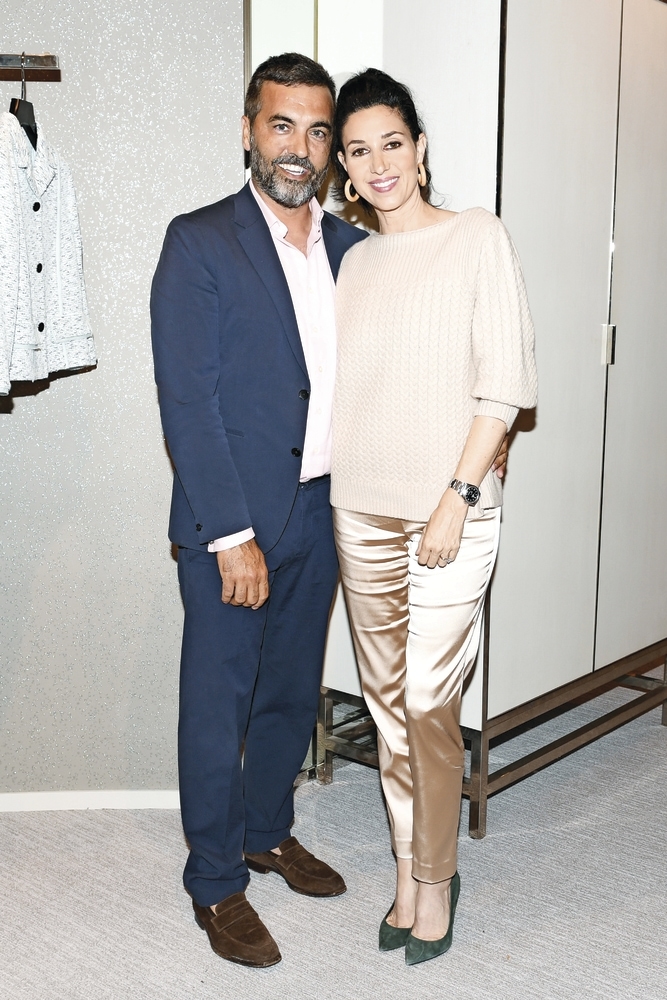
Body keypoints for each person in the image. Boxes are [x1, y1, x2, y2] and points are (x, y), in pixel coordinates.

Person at [150, 53, 368, 969]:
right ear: (248, 131)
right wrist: (231, 535)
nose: (298, 148)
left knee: (289, 690)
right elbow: (188, 403)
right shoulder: (199, 241)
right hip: (232, 521)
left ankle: (266, 831)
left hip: (323, 510)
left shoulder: (353, 249)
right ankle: (212, 879)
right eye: (282, 125)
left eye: (316, 131)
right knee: (219, 703)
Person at [330, 69, 538, 966]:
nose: (378, 162)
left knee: (426, 700)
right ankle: (407, 870)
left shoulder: (476, 236)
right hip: (359, 506)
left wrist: (458, 494)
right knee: (384, 707)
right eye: (357, 149)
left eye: (391, 142)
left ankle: (438, 871)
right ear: (344, 168)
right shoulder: (352, 261)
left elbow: (505, 383)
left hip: (450, 507)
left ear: (418, 148)